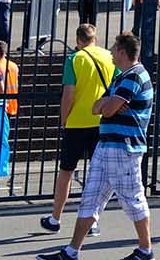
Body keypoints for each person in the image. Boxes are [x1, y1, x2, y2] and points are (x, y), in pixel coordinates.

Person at [40, 31, 156, 260]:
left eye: (114, 49)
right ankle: (72, 251)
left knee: (133, 198)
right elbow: (98, 107)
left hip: (124, 147)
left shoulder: (134, 76)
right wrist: (107, 103)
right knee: (91, 197)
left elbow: (109, 108)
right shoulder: (121, 77)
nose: (111, 53)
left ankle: (145, 249)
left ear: (122, 52)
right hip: (107, 145)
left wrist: (107, 104)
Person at [41, 23, 114, 235]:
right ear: (95, 39)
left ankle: (56, 217)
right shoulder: (109, 57)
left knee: (66, 172)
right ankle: (92, 220)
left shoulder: (74, 59)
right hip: (101, 121)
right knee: (97, 175)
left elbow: (68, 94)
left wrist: (65, 120)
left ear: (78, 40)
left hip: (77, 122)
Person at [0, 39, 20, 117]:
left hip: (2, 108)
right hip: (13, 105)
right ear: (5, 52)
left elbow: (0, 90)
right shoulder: (14, 66)